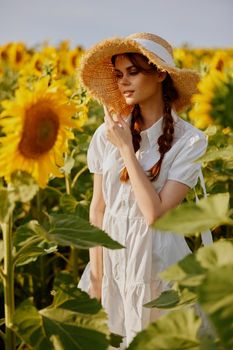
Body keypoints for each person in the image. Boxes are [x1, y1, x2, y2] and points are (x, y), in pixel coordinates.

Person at [77, 32, 213, 349]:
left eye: (133, 72)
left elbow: (155, 214)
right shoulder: (106, 133)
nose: (124, 82)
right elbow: (98, 209)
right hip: (110, 264)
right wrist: (97, 280)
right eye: (119, 74)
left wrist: (126, 150)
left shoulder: (190, 141)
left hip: (158, 265)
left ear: (160, 73)